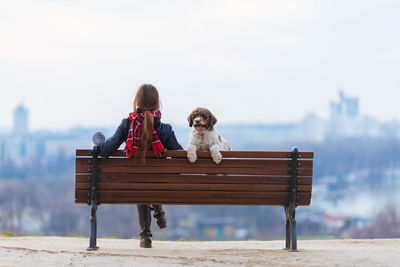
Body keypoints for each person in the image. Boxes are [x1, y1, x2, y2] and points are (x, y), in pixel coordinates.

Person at [92, 84, 183, 248]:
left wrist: (98, 139)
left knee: (142, 184)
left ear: (137, 101)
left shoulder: (128, 125)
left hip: (135, 185)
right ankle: (158, 209)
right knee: (152, 181)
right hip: (160, 185)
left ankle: (145, 236)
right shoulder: (165, 129)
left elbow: (104, 151)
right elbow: (181, 158)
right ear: (157, 103)